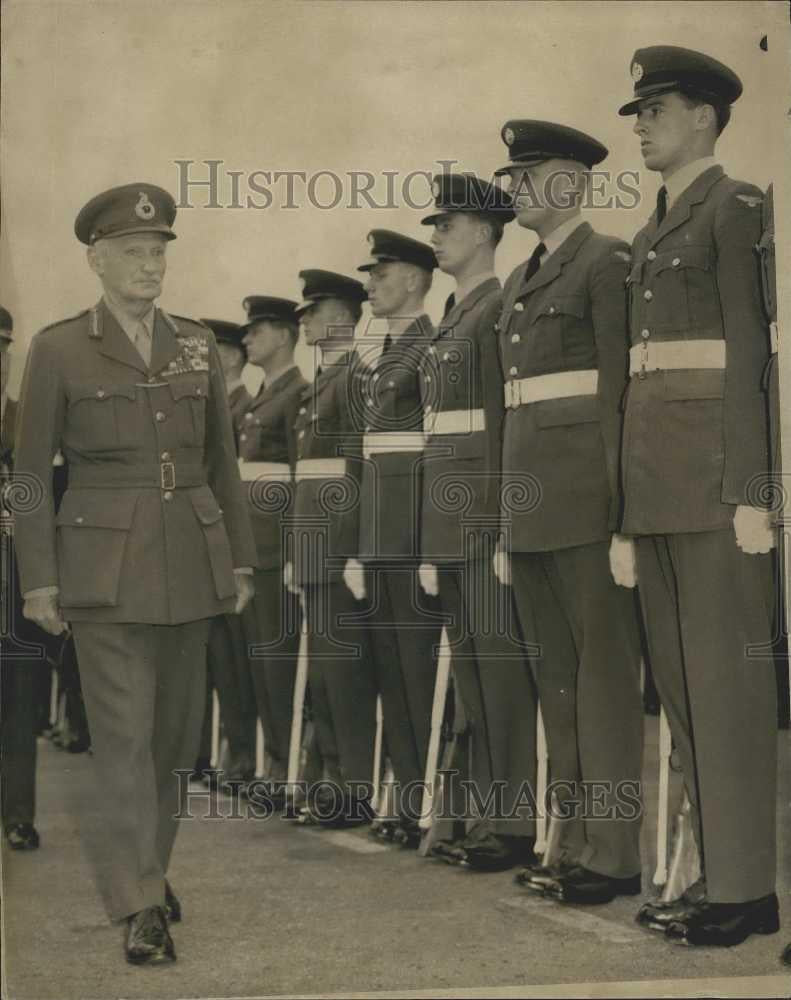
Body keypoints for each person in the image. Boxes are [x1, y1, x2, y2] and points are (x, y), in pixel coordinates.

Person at [12, 183, 256, 965]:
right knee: (120, 739)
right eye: (133, 253)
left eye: (158, 252)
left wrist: (239, 557)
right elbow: (27, 476)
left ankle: (149, 869)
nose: (150, 265)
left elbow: (221, 460)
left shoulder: (192, 344)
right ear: (97, 259)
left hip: (191, 559)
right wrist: (37, 581)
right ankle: (140, 904)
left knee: (172, 743)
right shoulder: (57, 348)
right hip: (102, 570)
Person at [617, 47, 778, 947]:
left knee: (727, 695)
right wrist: (627, 512)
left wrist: (753, 491)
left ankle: (747, 889)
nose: (640, 126)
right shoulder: (650, 232)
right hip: (660, 493)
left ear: (706, 118)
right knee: (681, 696)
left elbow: (752, 360)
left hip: (717, 494)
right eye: (638, 113)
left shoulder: (735, 208)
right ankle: (718, 877)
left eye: (655, 110)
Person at [492, 121, 644, 904]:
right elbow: (510, 413)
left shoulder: (605, 261)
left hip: (588, 505)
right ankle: (572, 841)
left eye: (530, 174)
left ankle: (613, 854)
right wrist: (503, 522)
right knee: (557, 682)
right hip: (533, 509)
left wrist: (624, 518)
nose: (514, 187)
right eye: (511, 176)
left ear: (575, 184)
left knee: (606, 684)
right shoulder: (521, 279)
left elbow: (620, 394)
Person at [418, 175, 538, 870]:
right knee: (472, 674)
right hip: (449, 522)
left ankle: (513, 823)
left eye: (449, 224)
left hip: (482, 519)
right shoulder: (454, 314)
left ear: (486, 233)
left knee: (500, 676)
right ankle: (479, 816)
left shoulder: (495, 309)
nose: (437, 234)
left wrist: (495, 524)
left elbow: (498, 427)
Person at [347, 230, 442, 848]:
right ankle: (408, 800)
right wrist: (357, 543)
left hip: (412, 536)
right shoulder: (378, 352)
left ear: (411, 279)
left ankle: (432, 801)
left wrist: (434, 541)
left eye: (380, 275)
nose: (371, 286)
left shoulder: (431, 346)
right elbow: (363, 456)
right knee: (391, 673)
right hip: (381, 536)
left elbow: (439, 452)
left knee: (420, 672)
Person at [287, 268, 378, 826]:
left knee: (344, 676)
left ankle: (354, 789)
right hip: (314, 547)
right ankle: (329, 782)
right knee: (324, 675)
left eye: (313, 311)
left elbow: (358, 470)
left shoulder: (355, 377)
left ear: (342, 318)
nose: (304, 320)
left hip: (338, 548)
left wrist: (351, 552)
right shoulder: (321, 383)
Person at [238, 297, 307, 802]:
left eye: (256, 331)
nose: (246, 340)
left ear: (283, 336)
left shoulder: (297, 394)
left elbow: (298, 480)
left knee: (278, 664)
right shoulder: (264, 397)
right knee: (261, 665)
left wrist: (290, 551)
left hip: (277, 546)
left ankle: (288, 770)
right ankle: (276, 763)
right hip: (253, 547)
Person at [199, 318, 258, 789]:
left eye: (213, 351)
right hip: (209, 548)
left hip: (234, 545)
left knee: (240, 661)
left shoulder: (244, 405)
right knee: (221, 660)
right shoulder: (214, 407)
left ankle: (244, 757)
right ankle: (233, 754)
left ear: (234, 357)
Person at [0, 307, 42, 851]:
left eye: (2, 350)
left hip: (17, 583)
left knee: (20, 700)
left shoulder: (24, 421)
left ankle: (19, 813)